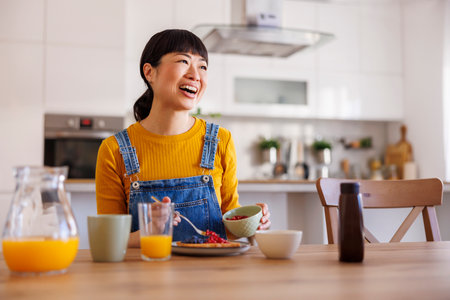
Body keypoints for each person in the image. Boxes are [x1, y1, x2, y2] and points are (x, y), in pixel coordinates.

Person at [95, 29, 271, 247]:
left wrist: (252, 224)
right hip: (145, 277)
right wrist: (150, 231)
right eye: (183, 61)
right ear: (149, 72)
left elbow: (227, 230)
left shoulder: (220, 141)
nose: (195, 75)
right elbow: (107, 240)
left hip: (212, 276)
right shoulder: (114, 150)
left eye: (202, 66)